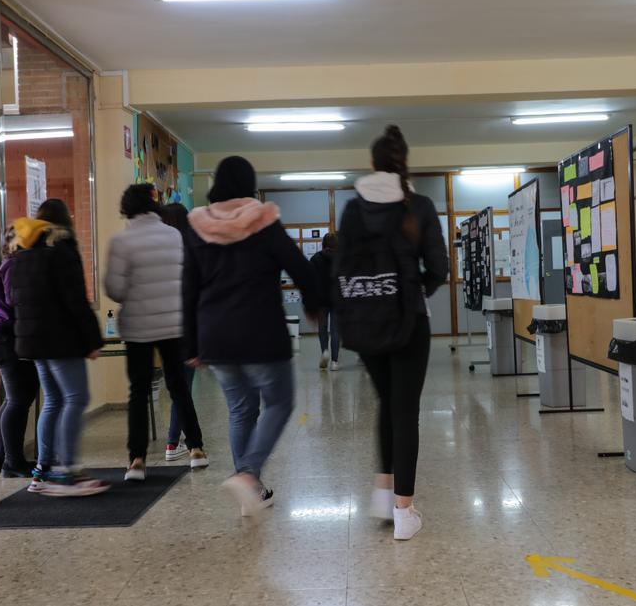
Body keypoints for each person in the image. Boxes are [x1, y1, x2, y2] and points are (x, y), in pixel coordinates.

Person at [184, 156, 324, 515]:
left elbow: (188, 288)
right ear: (250, 184)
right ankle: (248, 476)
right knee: (279, 403)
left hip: (215, 336)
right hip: (260, 331)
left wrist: (191, 343)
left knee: (240, 411)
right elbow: (301, 268)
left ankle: (251, 492)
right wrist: (314, 304)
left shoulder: (197, 228)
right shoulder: (264, 222)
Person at [337, 126, 448, 540]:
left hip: (365, 323)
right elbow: (439, 268)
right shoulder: (417, 206)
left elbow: (339, 265)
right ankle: (404, 512)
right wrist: (415, 288)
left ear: (371, 164)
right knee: (406, 412)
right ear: (405, 163)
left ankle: (383, 496)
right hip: (408, 323)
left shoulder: (351, 209)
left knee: (387, 403)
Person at [105, 185, 208, 480]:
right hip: (173, 324)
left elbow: (114, 288)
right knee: (178, 387)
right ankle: (196, 449)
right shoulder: (174, 235)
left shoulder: (121, 241)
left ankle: (137, 460)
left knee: (138, 392)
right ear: (155, 207)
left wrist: (133, 291)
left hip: (138, 326)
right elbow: (186, 277)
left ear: (126, 208)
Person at [9, 199, 109, 496]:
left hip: (32, 339)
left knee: (53, 400)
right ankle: (67, 472)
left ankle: (42, 471)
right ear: (66, 221)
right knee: (76, 399)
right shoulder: (61, 248)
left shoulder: (22, 250)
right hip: (60, 338)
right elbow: (75, 298)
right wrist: (92, 340)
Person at [0, 226, 38, 478]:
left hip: (0, 335)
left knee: (13, 399)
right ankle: (13, 462)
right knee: (19, 399)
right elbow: (16, 300)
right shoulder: (15, 266)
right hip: (8, 335)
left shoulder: (9, 264)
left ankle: (1, 456)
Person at [159, 203, 200, 461]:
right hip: (187, 327)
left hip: (162, 327)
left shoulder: (157, 252)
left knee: (176, 387)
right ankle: (175, 443)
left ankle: (174, 442)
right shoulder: (192, 251)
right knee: (183, 387)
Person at [309, 233, 341, 371]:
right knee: (335, 331)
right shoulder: (340, 258)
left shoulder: (315, 258)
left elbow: (310, 279)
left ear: (323, 243)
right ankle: (334, 362)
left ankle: (324, 352)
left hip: (321, 301)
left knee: (322, 330)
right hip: (336, 300)